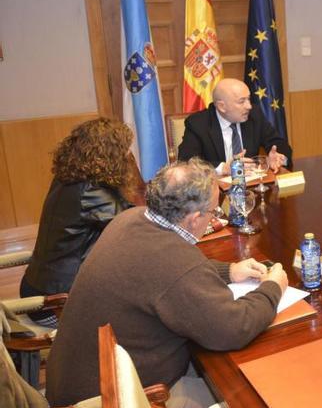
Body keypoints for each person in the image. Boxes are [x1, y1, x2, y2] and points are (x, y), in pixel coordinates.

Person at [46, 159, 288, 407]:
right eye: (214, 211)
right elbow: (234, 328)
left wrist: (230, 271)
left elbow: (168, 275)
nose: (214, 215)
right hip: (108, 398)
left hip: (75, 381)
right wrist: (273, 288)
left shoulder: (131, 218)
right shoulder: (174, 261)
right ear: (194, 218)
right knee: (243, 394)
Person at [20, 118, 134, 328]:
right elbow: (133, 224)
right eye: (125, 150)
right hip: (55, 302)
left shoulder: (68, 179)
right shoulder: (89, 192)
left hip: (39, 285)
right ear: (110, 154)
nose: (128, 155)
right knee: (139, 313)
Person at [177, 78, 291, 174]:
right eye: (242, 101)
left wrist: (280, 158)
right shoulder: (198, 124)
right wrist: (223, 168)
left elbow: (278, 143)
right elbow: (186, 162)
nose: (249, 106)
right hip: (216, 192)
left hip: (251, 187)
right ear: (222, 106)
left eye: (249, 99)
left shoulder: (254, 115)